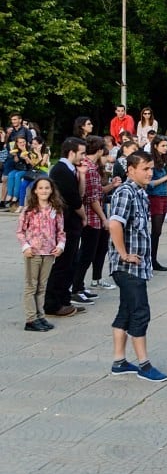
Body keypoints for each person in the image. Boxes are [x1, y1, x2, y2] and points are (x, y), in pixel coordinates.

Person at [108, 150, 167, 383]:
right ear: (131, 169)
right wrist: (123, 254)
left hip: (137, 266)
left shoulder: (140, 193)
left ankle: (119, 361)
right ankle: (144, 364)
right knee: (140, 312)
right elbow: (114, 224)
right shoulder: (126, 192)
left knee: (125, 311)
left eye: (151, 168)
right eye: (145, 168)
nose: (149, 173)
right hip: (127, 268)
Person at [43, 138, 87, 318]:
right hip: (66, 224)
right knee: (63, 264)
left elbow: (79, 194)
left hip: (70, 223)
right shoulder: (61, 171)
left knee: (70, 263)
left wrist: (82, 175)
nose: (84, 157)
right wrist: (84, 217)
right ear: (71, 152)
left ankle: (64, 299)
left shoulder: (70, 170)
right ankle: (53, 303)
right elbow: (74, 200)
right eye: (82, 153)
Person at [17, 178, 65, 331]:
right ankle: (31, 319)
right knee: (31, 285)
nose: (44, 190)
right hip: (33, 252)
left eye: (47, 188)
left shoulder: (55, 209)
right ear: (35, 191)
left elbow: (61, 231)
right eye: (41, 188)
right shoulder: (29, 210)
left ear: (51, 190)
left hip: (49, 253)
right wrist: (25, 246)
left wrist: (60, 246)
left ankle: (40, 316)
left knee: (42, 286)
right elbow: (20, 231)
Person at [72, 136, 116, 304]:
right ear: (99, 150)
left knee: (90, 253)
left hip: (93, 217)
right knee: (86, 254)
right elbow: (92, 198)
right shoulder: (90, 169)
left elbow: (97, 192)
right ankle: (76, 288)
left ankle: (80, 286)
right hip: (91, 218)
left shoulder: (92, 168)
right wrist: (104, 218)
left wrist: (111, 186)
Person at [146, 137, 167, 271]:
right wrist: (166, 177)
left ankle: (153, 259)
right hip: (155, 196)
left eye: (166, 145)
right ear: (156, 146)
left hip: (163, 196)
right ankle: (151, 259)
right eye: (163, 145)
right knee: (156, 230)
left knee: (158, 231)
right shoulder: (152, 161)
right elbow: (150, 184)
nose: (165, 148)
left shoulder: (163, 160)